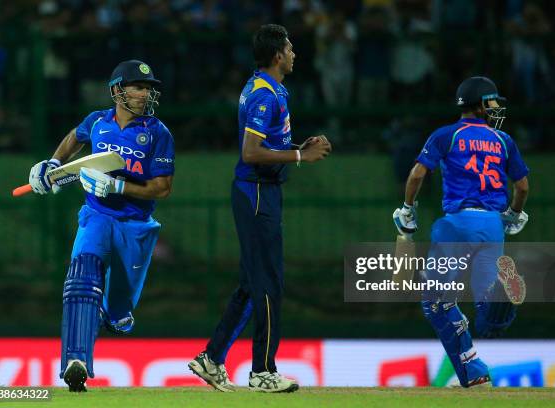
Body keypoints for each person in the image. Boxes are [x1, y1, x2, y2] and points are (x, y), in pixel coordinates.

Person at [188, 24, 331, 393]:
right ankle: (263, 370)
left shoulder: (268, 89)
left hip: (260, 190)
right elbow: (250, 153)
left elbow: (267, 144)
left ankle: (212, 358)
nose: (295, 53)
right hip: (256, 193)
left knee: (253, 283)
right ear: (277, 55)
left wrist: (298, 145)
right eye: (291, 47)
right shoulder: (264, 94)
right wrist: (300, 155)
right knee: (268, 283)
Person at [27, 60, 174, 392]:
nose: (145, 93)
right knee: (81, 278)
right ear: (117, 91)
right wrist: (54, 163)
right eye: (138, 86)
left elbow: (163, 188)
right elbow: (74, 138)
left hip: (135, 225)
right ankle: (75, 362)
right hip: (96, 216)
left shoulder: (158, 133)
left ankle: (117, 312)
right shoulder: (97, 122)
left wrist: (119, 187)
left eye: (148, 88)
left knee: (117, 311)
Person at [393, 76, 530, 387]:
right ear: (479, 104)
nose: (496, 108)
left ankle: (471, 361)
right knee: (485, 310)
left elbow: (416, 175)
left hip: (457, 225)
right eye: (492, 102)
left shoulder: (446, 135)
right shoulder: (504, 140)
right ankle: (479, 358)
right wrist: (514, 214)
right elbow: (521, 186)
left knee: (434, 300)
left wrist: (408, 208)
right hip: (493, 227)